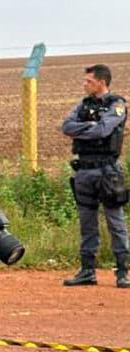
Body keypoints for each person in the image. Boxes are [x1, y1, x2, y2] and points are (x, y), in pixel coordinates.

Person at [61, 65, 130, 289]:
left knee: (115, 222)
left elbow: (103, 130)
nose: (85, 84)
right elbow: (66, 126)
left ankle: (122, 271)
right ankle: (87, 271)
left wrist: (86, 129)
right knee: (87, 223)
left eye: (88, 81)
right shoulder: (83, 105)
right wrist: (90, 126)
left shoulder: (117, 105)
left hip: (108, 172)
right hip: (84, 172)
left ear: (101, 82)